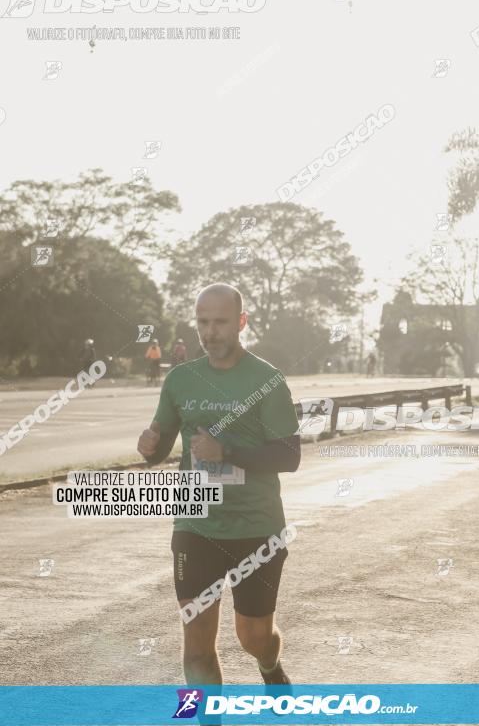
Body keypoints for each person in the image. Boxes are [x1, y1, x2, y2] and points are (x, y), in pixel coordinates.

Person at [137, 283, 300, 689]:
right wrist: (150, 449)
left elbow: (289, 456)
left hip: (257, 529)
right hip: (196, 526)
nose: (210, 332)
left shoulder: (267, 380)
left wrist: (225, 450)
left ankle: (269, 665)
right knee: (196, 646)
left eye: (220, 322)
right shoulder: (180, 380)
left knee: (254, 638)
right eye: (203, 322)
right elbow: (162, 446)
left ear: (241, 322)